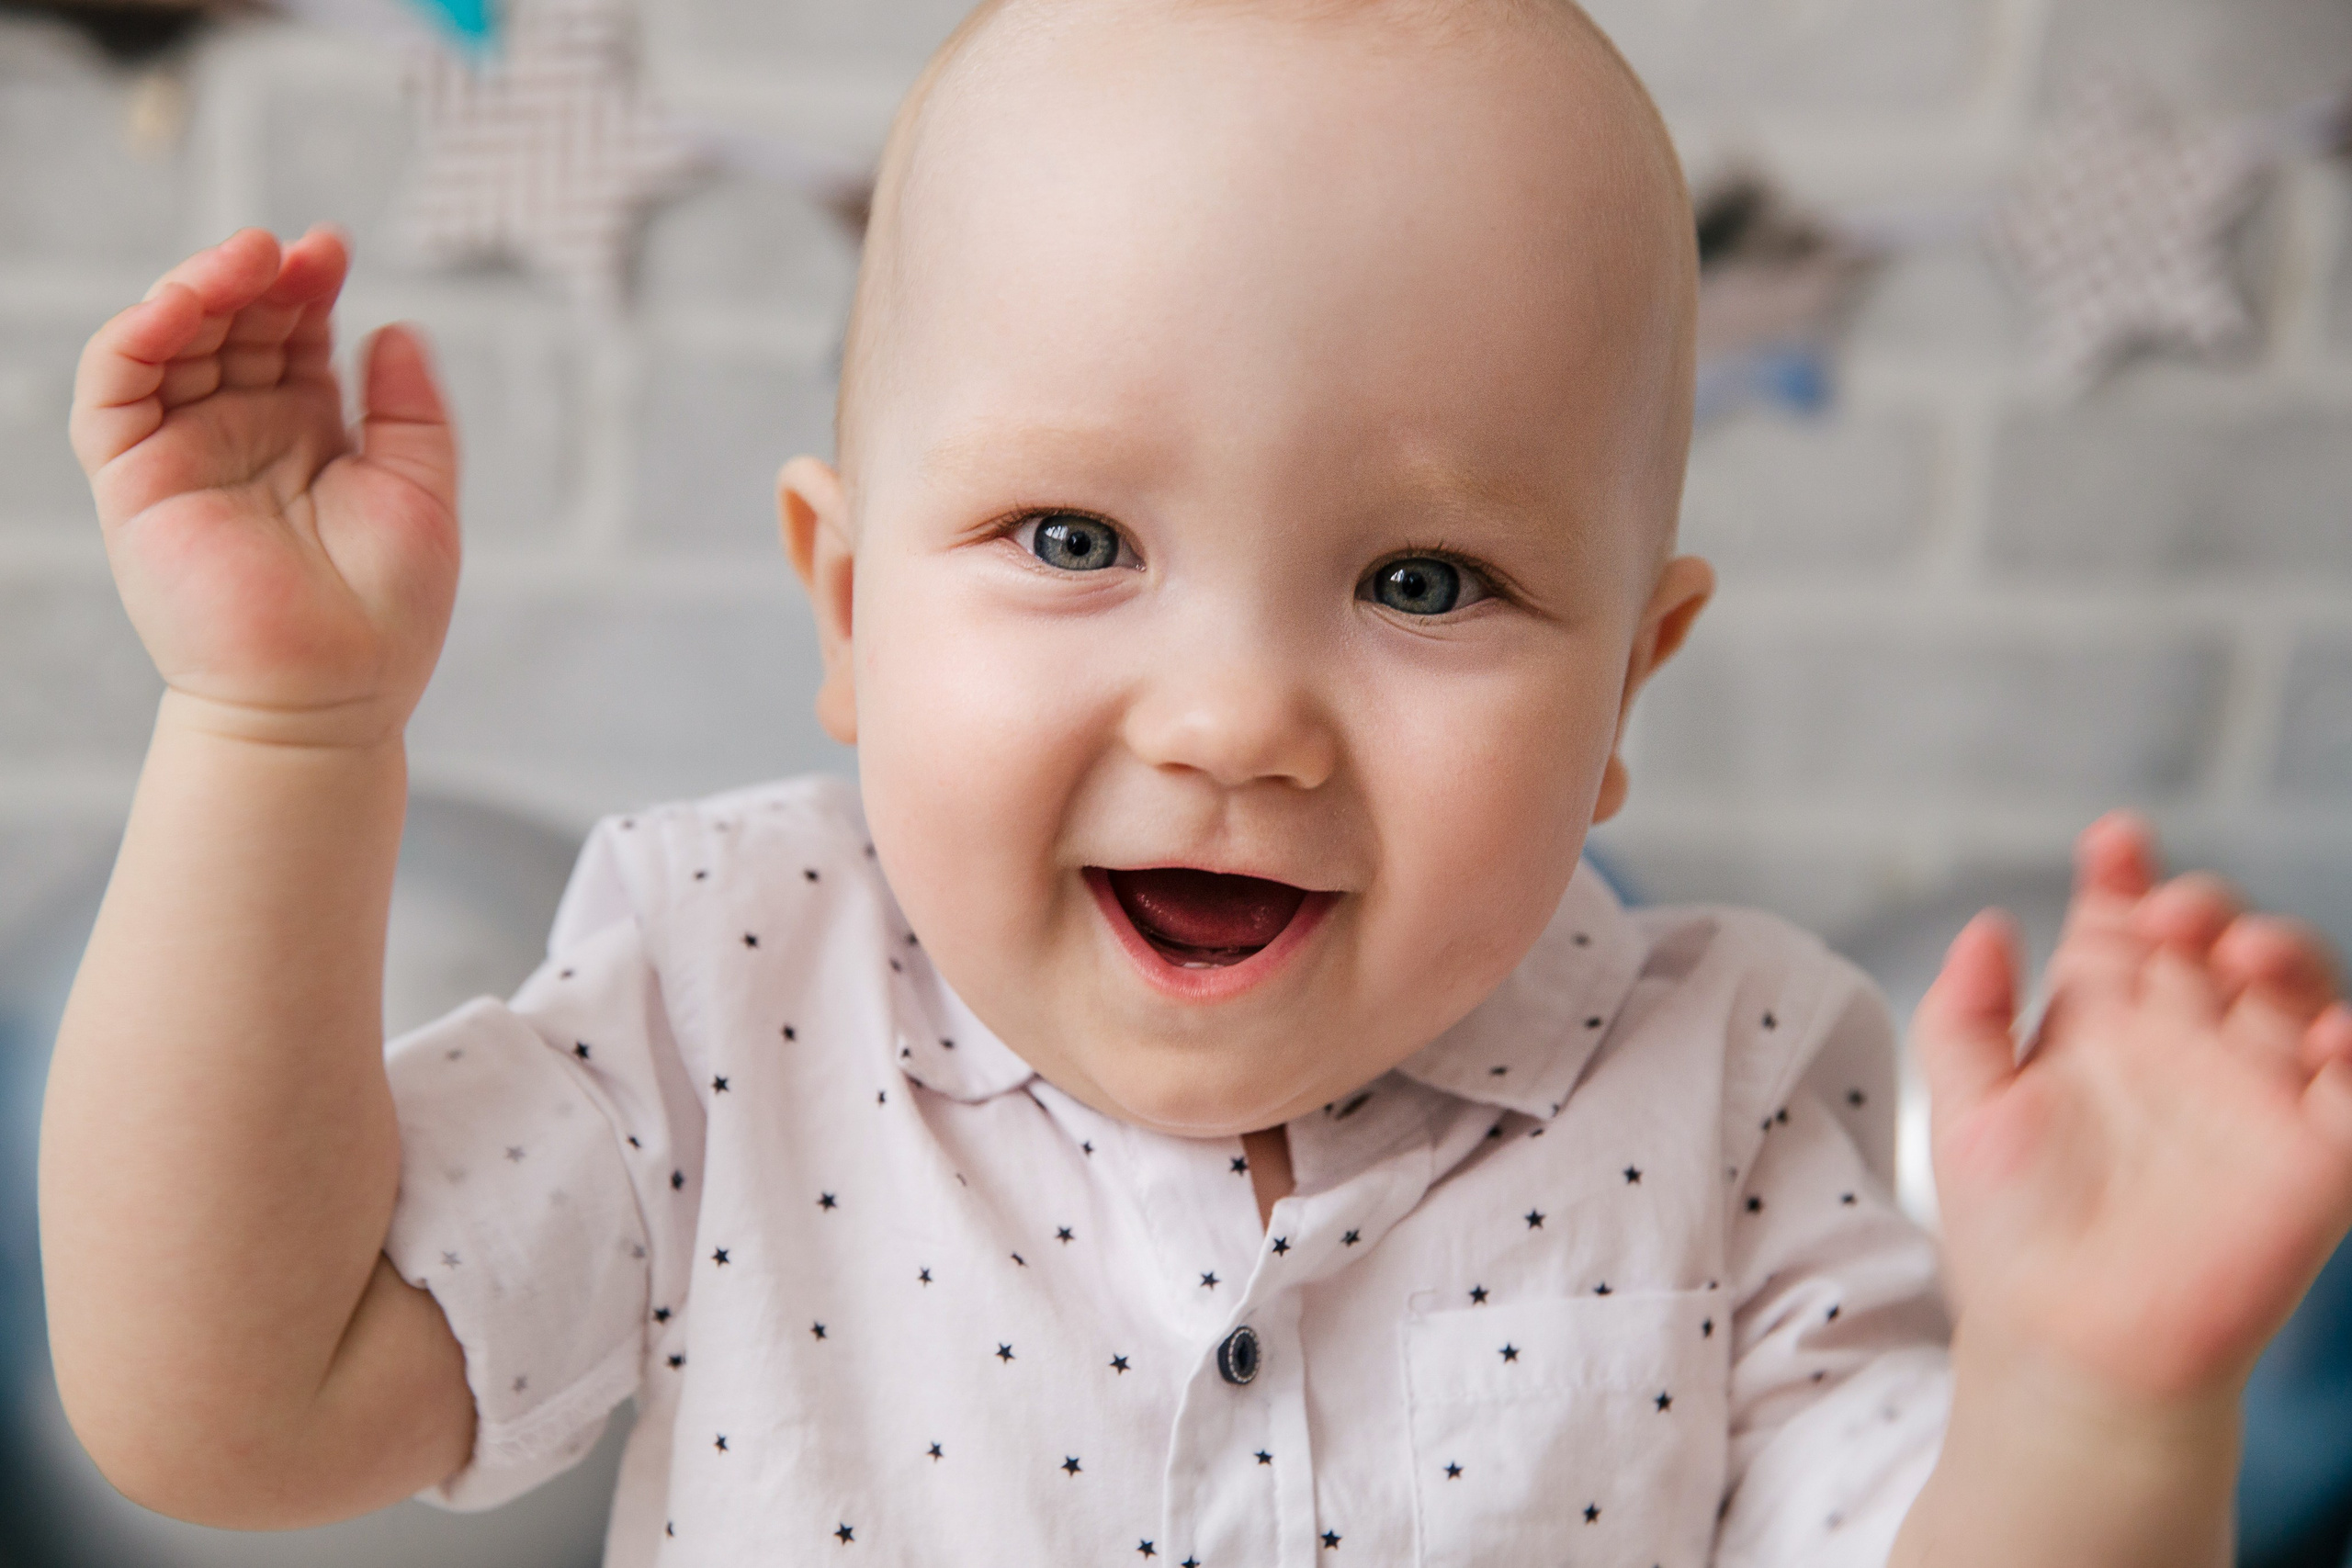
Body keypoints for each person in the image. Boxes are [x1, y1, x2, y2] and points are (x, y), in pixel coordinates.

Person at [40, 2, 2352, 1563]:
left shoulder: (1731, 1093)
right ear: (846, 610)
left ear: (1626, 680)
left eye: (1428, 577)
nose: (1233, 715)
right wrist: (283, 729)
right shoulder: (723, 991)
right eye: (1074, 541)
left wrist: (2102, 1383)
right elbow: (230, 1402)